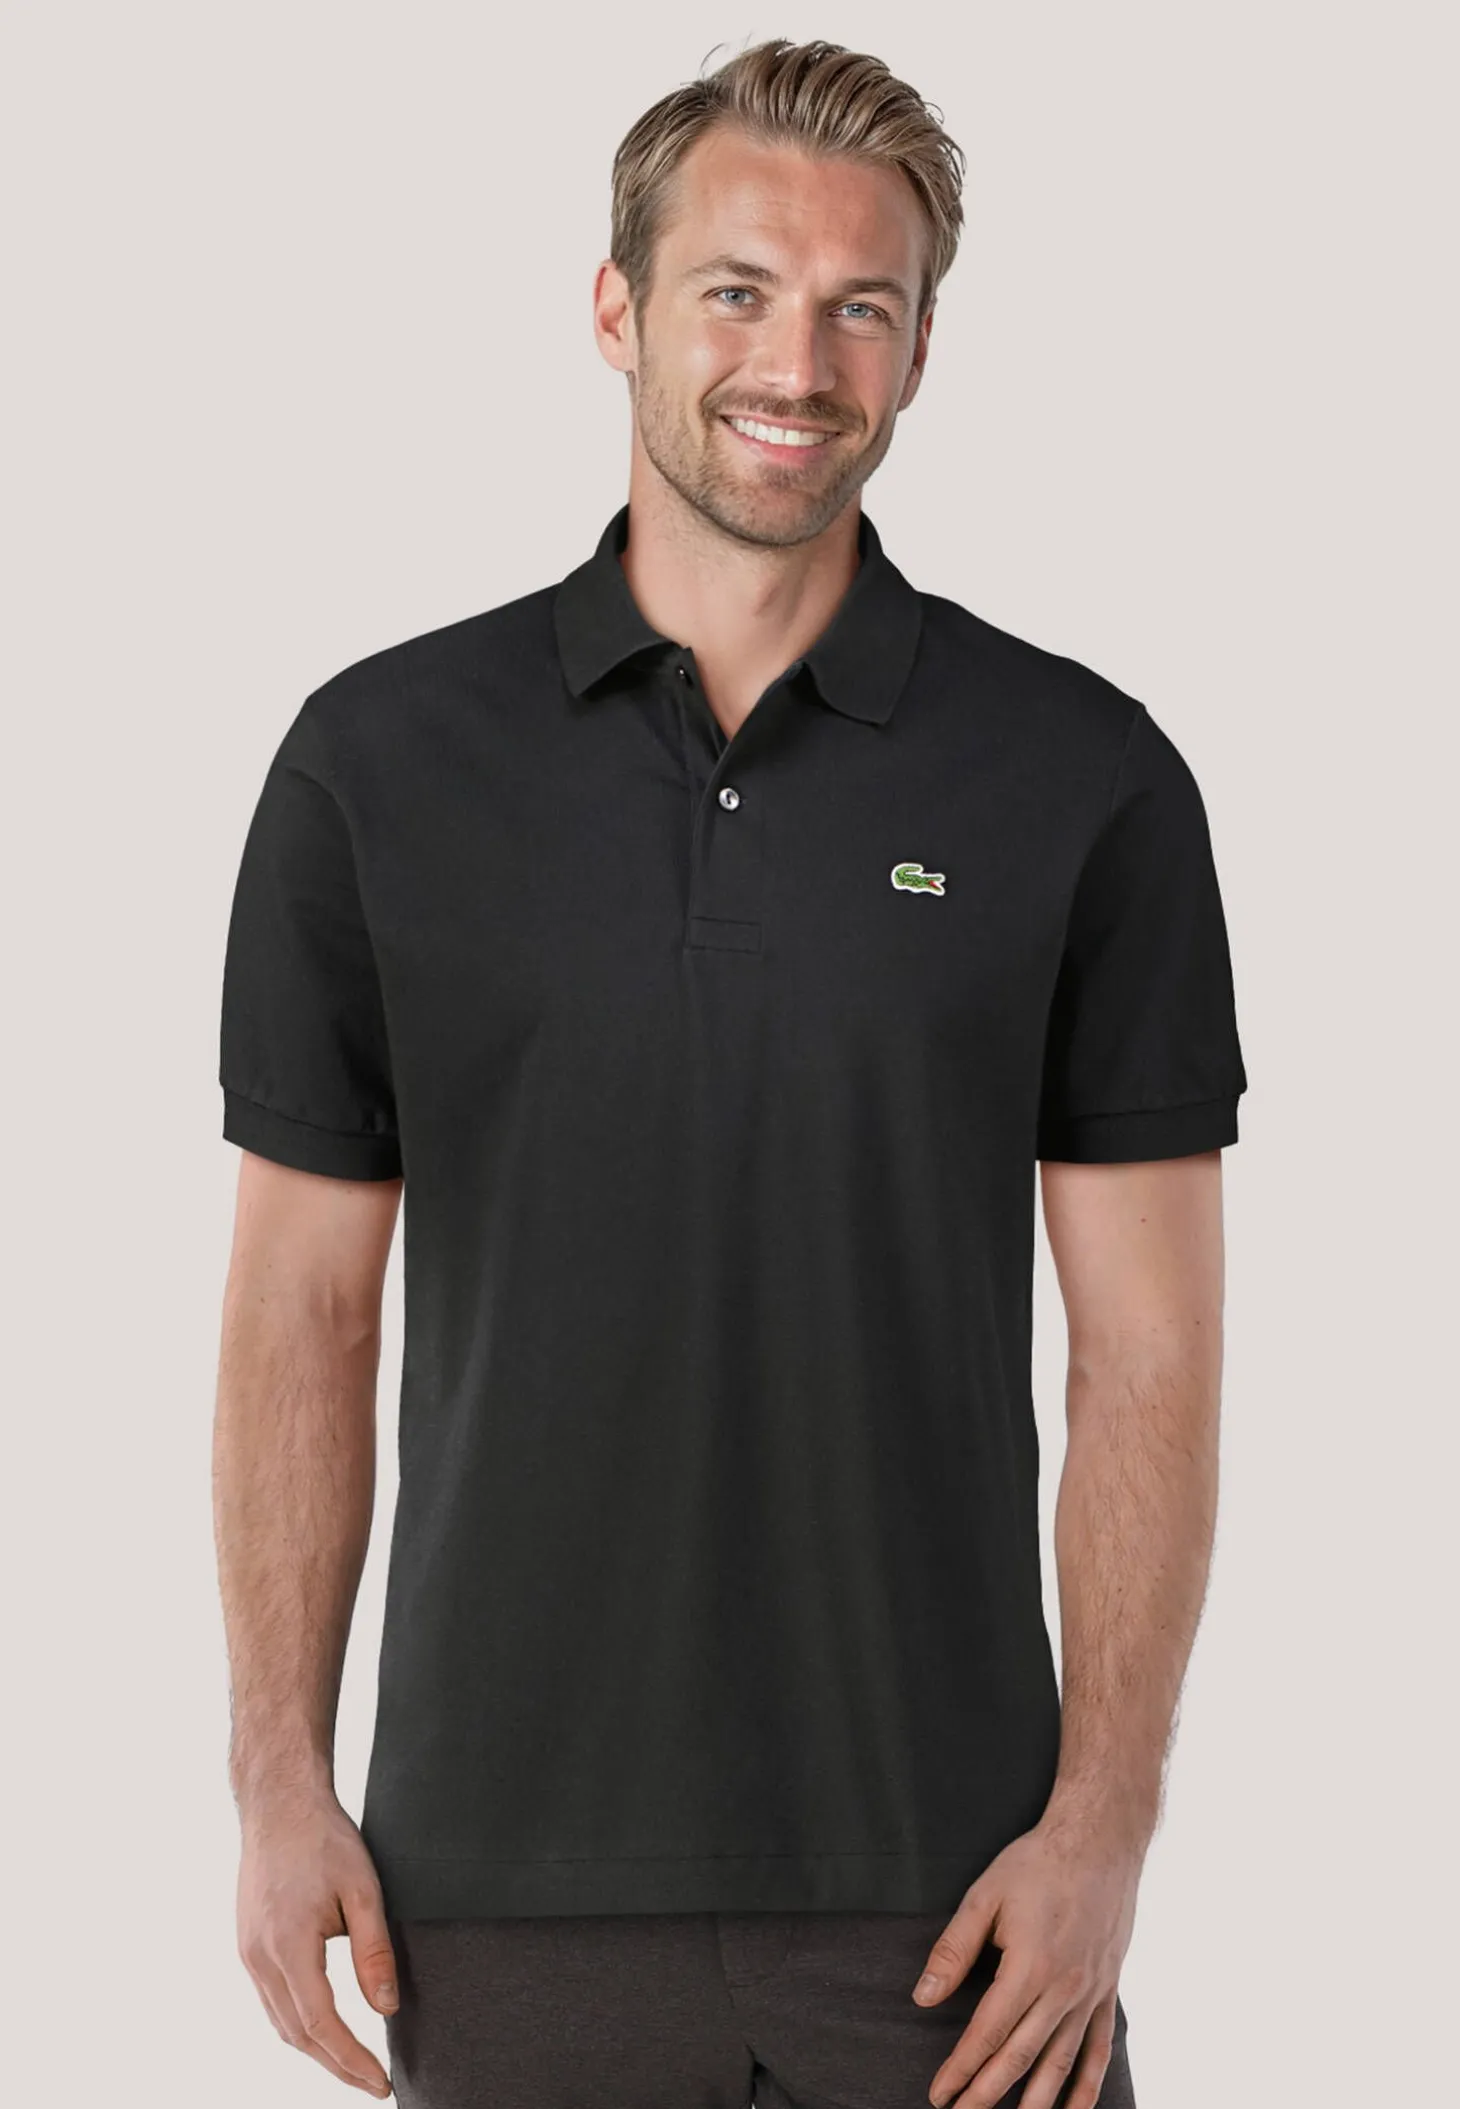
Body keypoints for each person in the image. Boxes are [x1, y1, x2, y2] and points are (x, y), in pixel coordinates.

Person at [213, 36, 1246, 2109]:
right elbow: (301, 1312)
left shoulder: (1082, 777)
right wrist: (276, 1779)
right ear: (616, 310)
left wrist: (1106, 1829)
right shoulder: (378, 766)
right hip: (493, 1892)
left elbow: (1147, 1350)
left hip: (959, 1906)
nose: (799, 362)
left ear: (923, 349)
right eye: (738, 292)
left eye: (863, 306)